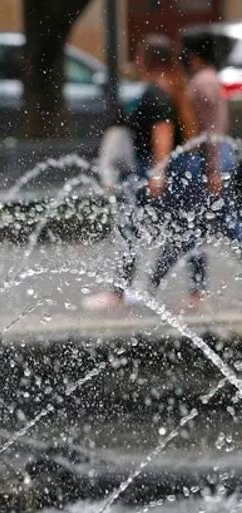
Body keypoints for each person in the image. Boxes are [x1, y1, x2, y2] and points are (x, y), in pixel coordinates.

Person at [83, 35, 187, 311]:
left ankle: (123, 293)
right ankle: (144, 290)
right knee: (176, 231)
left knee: (133, 231)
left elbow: (162, 132)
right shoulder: (168, 88)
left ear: (145, 59)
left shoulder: (156, 93)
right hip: (157, 171)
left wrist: (157, 173)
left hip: (149, 171)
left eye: (139, 56)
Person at [139, 32, 235, 310]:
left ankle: (171, 287)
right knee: (194, 225)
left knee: (197, 226)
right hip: (205, 161)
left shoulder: (199, 83)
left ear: (193, 54)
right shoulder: (201, 81)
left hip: (205, 161)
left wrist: (213, 169)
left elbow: (210, 130)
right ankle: (166, 287)